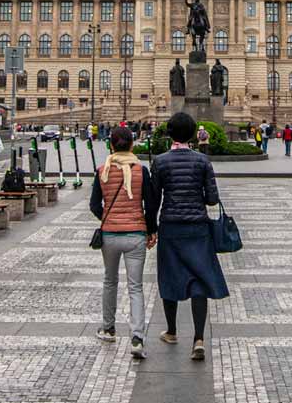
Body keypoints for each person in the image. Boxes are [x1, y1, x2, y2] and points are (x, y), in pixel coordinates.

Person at [151, 111, 229, 361]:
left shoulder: (160, 161)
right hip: (198, 228)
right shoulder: (202, 161)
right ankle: (198, 338)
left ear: (169, 133)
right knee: (199, 280)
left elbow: (153, 199)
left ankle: (172, 331)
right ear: (194, 134)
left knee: (170, 275)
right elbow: (212, 199)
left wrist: (150, 227)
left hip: (171, 226)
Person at [90, 126, 158, 359]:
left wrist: (108, 218)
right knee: (135, 287)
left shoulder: (102, 170)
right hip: (135, 234)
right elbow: (150, 205)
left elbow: (93, 205)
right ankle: (137, 337)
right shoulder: (141, 171)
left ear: (111, 145)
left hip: (110, 235)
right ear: (132, 145)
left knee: (110, 281)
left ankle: (108, 328)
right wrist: (151, 230)